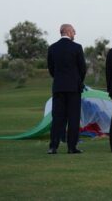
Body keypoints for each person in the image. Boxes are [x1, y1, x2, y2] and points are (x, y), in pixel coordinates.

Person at [47, 24, 86, 155]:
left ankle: (53, 146)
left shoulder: (52, 48)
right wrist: (78, 80)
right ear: (68, 32)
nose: (75, 33)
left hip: (58, 87)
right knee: (73, 118)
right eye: (74, 31)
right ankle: (71, 147)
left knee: (57, 118)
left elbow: (51, 68)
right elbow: (82, 69)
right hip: (74, 88)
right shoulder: (77, 47)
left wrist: (59, 79)